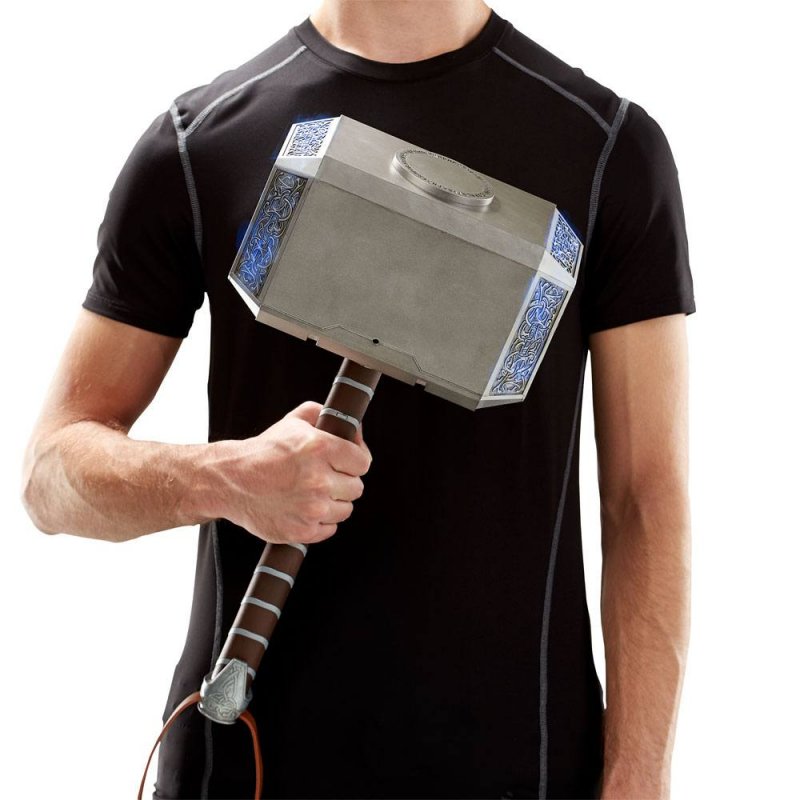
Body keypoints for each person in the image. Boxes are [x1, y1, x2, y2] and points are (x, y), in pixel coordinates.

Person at [21, 1, 694, 798]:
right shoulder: (199, 145)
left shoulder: (606, 150)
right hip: (244, 759)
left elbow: (645, 498)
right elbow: (51, 473)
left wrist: (640, 776)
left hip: (520, 764)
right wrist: (224, 478)